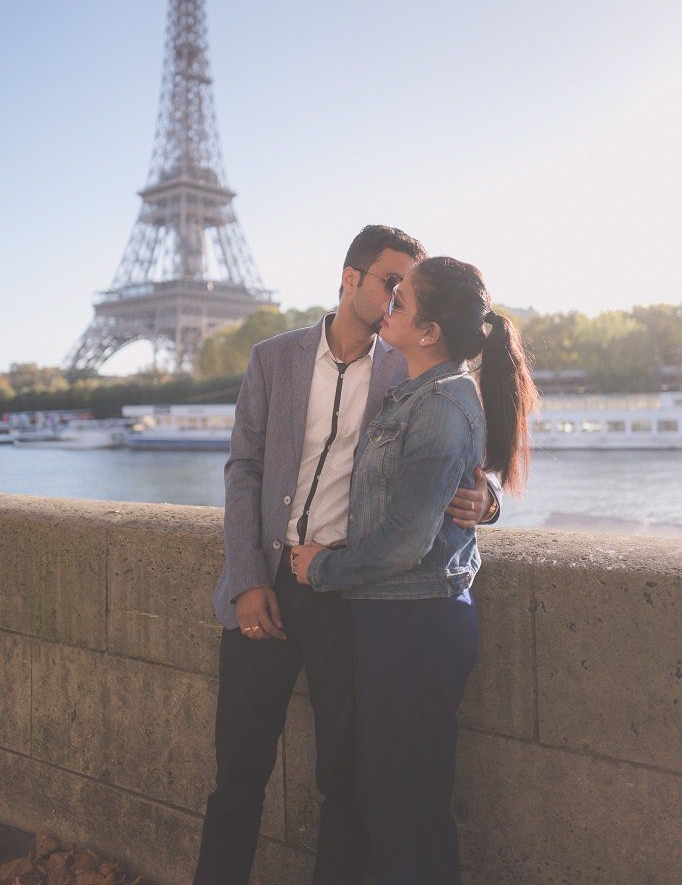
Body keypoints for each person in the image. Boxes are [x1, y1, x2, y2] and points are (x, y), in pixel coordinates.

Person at [193, 227, 502, 885]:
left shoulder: (410, 363)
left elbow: (452, 456)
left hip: (346, 595)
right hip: (269, 584)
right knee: (237, 775)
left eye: (405, 290)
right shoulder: (272, 357)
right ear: (349, 277)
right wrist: (249, 578)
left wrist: (488, 500)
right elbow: (243, 470)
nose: (396, 298)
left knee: (346, 784)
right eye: (390, 282)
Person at [291, 256, 537, 885]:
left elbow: (403, 541)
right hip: (398, 619)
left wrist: (320, 567)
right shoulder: (423, 393)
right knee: (398, 799)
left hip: (410, 621)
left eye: (402, 300)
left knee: (407, 808)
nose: (390, 300)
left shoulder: (437, 406)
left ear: (429, 332)